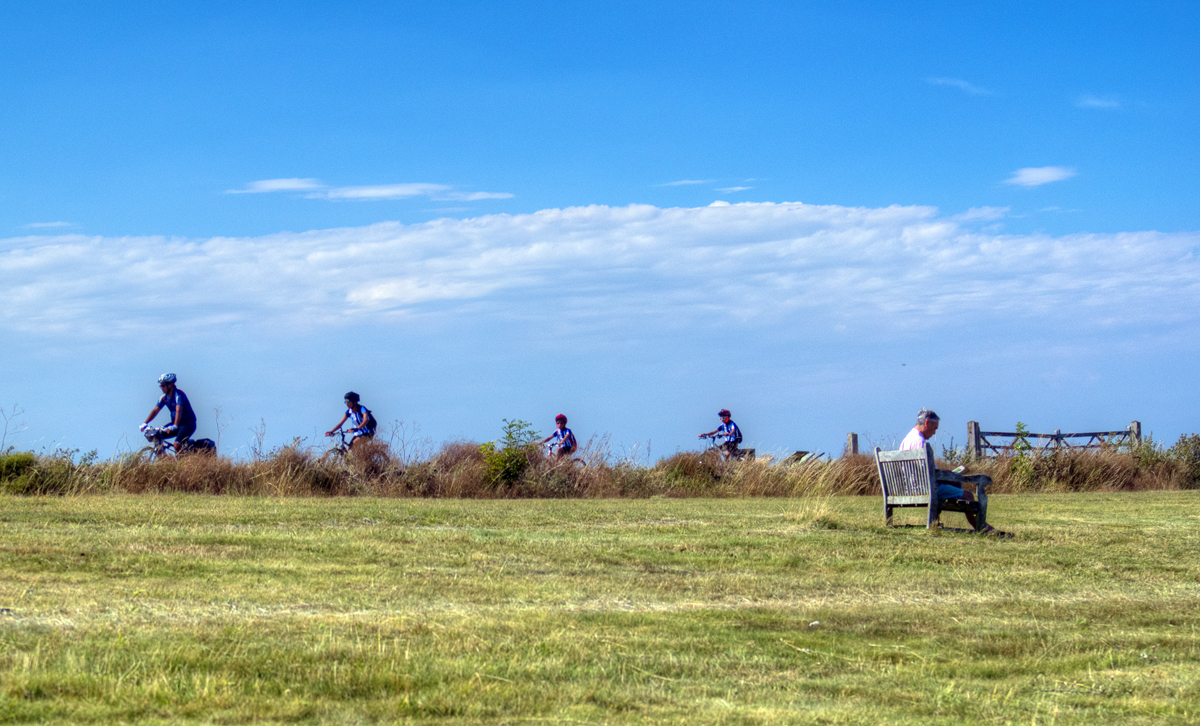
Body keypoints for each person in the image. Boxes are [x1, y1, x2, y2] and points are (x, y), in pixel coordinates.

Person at [900, 409, 997, 534]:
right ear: (927, 422)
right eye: (935, 428)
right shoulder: (920, 443)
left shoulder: (907, 440)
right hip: (924, 488)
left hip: (909, 487)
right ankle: (980, 527)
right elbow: (929, 473)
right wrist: (951, 477)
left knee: (955, 483)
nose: (935, 433)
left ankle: (937, 523)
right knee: (969, 495)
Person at [140, 373, 198, 453]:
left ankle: (183, 463)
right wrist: (145, 423)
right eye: (160, 385)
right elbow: (155, 410)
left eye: (163, 385)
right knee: (156, 436)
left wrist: (175, 425)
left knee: (177, 445)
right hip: (175, 424)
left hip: (187, 424)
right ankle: (164, 460)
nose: (161, 387)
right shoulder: (164, 397)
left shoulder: (179, 395)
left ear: (170, 385)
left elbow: (179, 410)